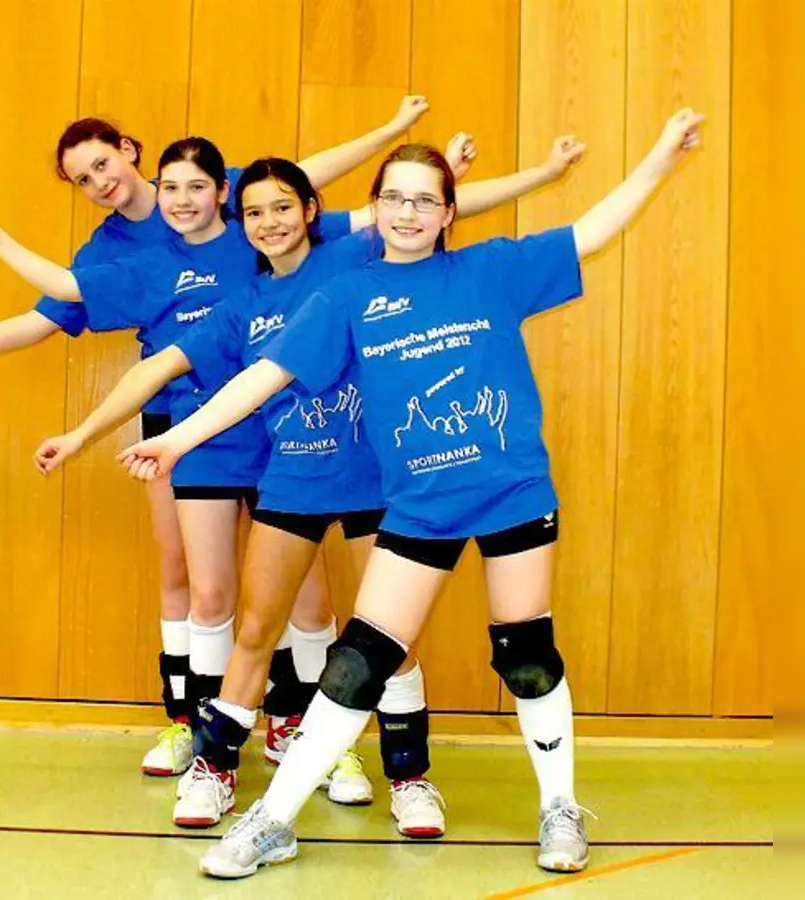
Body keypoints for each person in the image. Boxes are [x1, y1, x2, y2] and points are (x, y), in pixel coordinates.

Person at [114, 109, 706, 878]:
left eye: (426, 200)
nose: (408, 212)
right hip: (421, 503)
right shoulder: (347, 294)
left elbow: (592, 231)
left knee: (525, 656)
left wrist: (659, 155)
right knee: (359, 662)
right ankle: (274, 820)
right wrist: (174, 439)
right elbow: (265, 377)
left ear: (449, 212)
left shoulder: (490, 269)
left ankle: (559, 807)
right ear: (377, 206)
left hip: (512, 492)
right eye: (394, 197)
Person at [34, 136, 586, 830]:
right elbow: (167, 372)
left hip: (370, 482)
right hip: (291, 481)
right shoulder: (240, 306)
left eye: (283, 208)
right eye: (255, 212)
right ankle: (217, 768)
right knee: (259, 626)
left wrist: (516, 174)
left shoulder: (347, 262)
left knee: (389, 638)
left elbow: (421, 214)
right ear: (242, 222)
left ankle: (407, 776)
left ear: (311, 211)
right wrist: (89, 434)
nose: (270, 222)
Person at [0, 98, 437, 777]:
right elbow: (49, 311)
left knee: (300, 591)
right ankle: (191, 723)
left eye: (102, 165)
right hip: (183, 422)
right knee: (192, 578)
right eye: (82, 181)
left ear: (131, 149)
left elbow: (305, 180)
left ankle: (303, 728)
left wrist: (387, 133)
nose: (99, 184)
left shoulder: (215, 192)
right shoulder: (118, 255)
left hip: (279, 418)